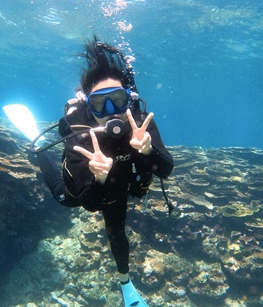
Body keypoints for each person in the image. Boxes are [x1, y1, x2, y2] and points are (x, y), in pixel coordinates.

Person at [35, 38, 173, 286]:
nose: (111, 110)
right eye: (99, 103)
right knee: (66, 198)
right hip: (98, 186)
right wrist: (98, 177)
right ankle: (37, 152)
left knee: (116, 233)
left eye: (118, 99)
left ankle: (124, 281)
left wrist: (148, 150)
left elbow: (166, 169)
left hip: (123, 182)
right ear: (89, 107)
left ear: (129, 99)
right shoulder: (79, 130)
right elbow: (89, 204)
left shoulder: (141, 123)